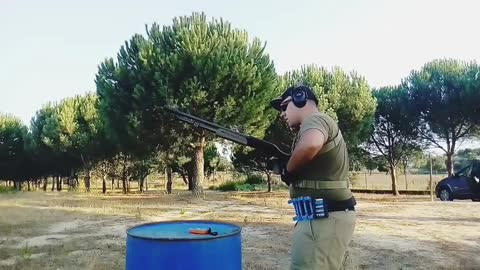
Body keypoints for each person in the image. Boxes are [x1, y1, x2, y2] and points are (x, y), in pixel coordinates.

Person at [270, 85, 356, 270]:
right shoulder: (313, 125)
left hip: (324, 220)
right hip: (322, 219)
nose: (282, 114)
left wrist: (288, 170)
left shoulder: (316, 119)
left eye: (284, 107)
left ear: (300, 98)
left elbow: (310, 145)